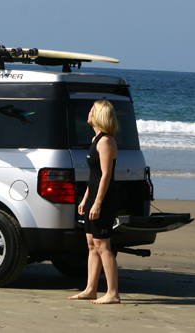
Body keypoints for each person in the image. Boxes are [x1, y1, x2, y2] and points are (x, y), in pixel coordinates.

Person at [68, 99, 121, 304]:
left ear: (99, 115)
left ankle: (112, 293)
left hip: (105, 198)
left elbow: (107, 175)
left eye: (92, 110)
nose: (88, 112)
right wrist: (85, 199)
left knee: (102, 244)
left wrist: (98, 202)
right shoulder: (95, 139)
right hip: (93, 196)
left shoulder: (106, 141)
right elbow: (95, 175)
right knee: (91, 244)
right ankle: (90, 289)